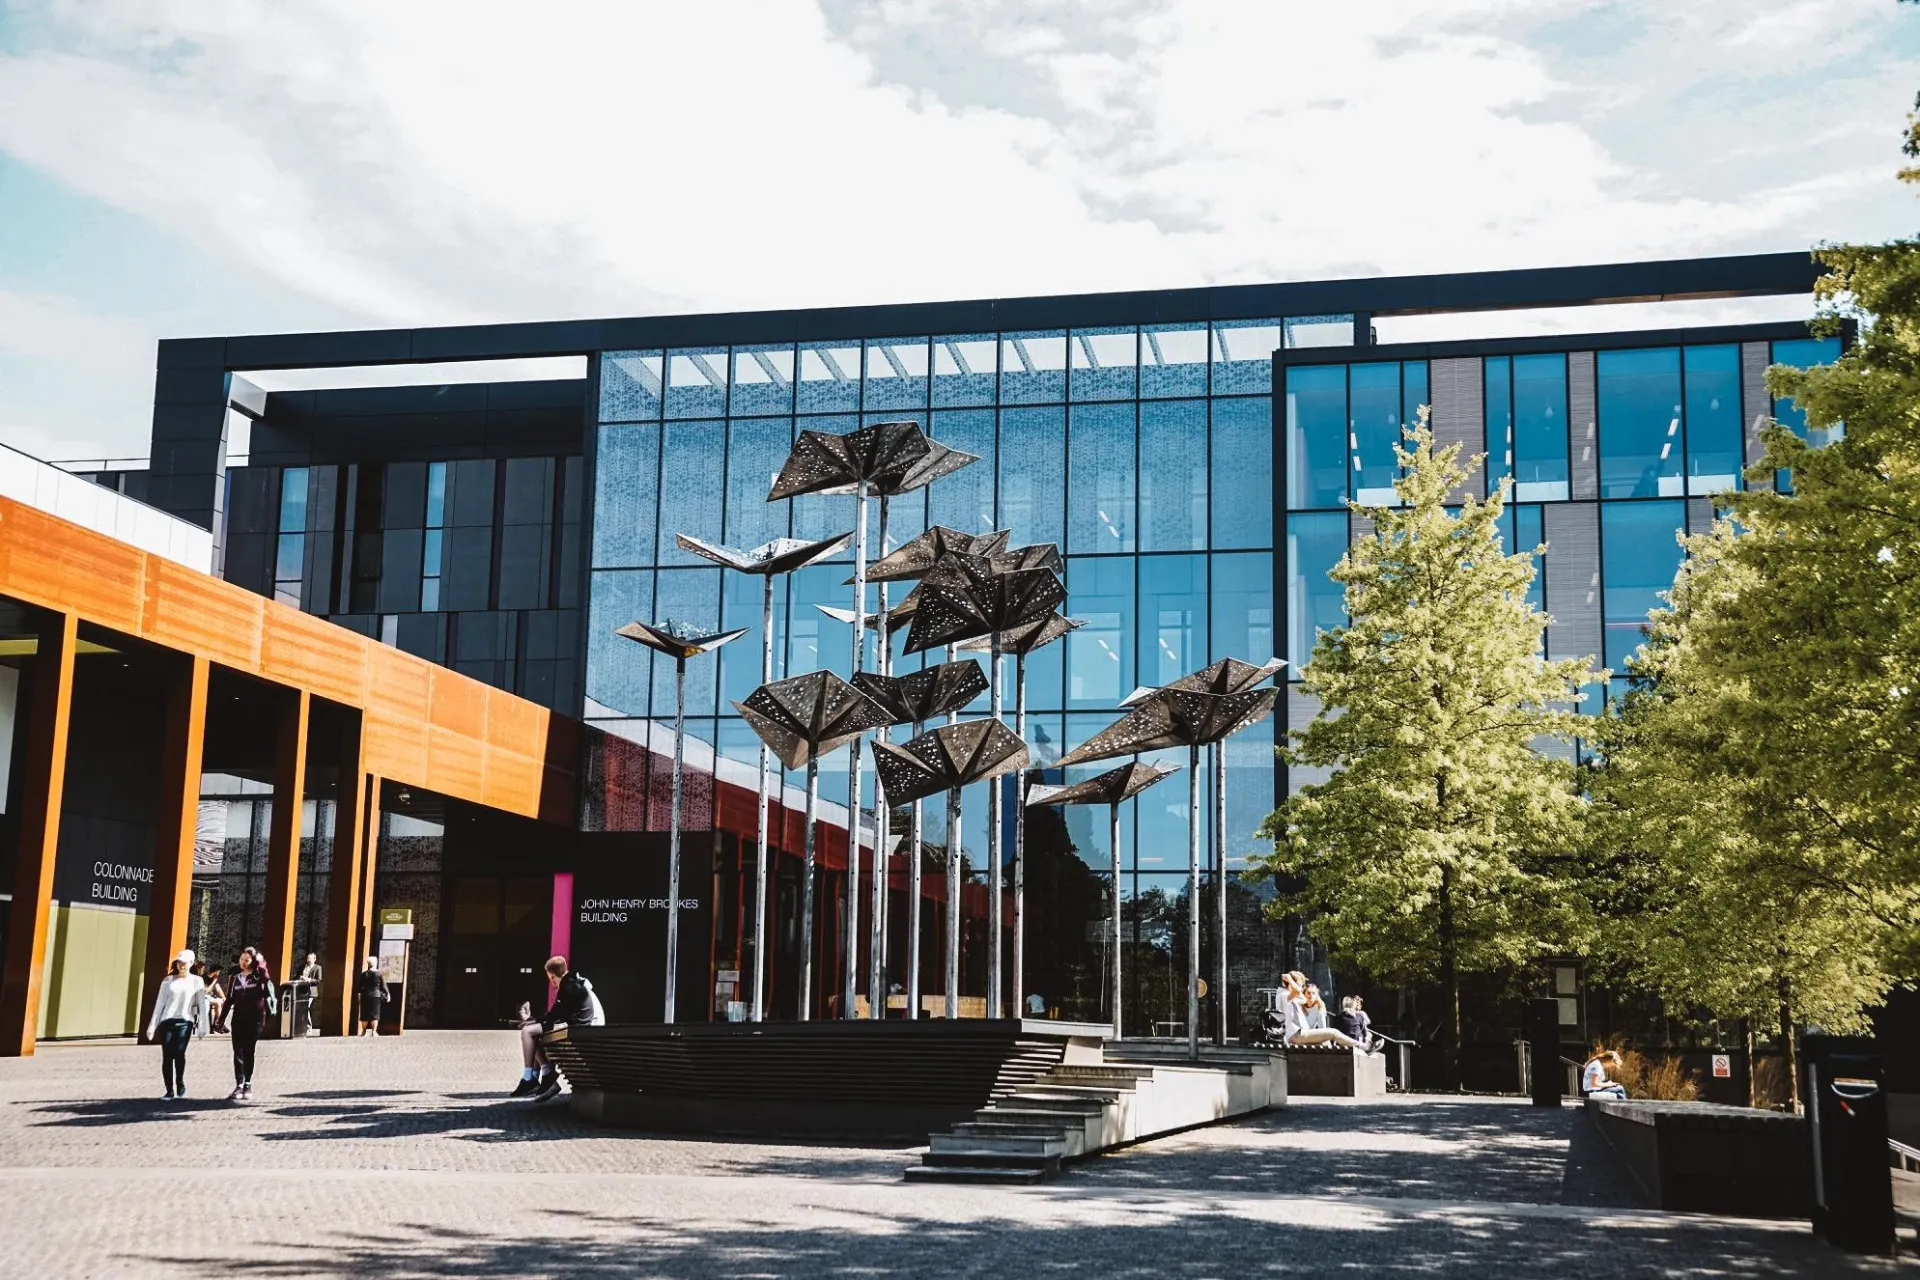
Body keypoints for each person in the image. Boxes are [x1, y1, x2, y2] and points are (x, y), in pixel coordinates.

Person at [515, 956, 603, 1102]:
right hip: (583, 1030)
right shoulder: (574, 982)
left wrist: (534, 1022)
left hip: (580, 1032)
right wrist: (536, 1021)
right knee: (534, 1033)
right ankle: (543, 1077)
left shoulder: (568, 987)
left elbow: (556, 1015)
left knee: (527, 1032)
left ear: (552, 975)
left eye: (551, 979)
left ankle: (530, 1077)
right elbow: (558, 1014)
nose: (552, 983)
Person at [147, 949, 211, 1099]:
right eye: (179, 962)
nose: (181, 965)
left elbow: (202, 1004)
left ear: (191, 963)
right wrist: (152, 1025)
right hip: (166, 1021)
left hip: (185, 1021)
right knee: (167, 1056)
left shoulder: (197, 981)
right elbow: (160, 1003)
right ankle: (169, 1090)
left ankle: (180, 1082)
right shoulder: (168, 981)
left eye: (184, 963)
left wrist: (203, 1026)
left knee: (179, 1052)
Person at [224, 947, 275, 1101]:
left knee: (248, 1050)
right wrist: (220, 1020)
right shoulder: (235, 976)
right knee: (237, 1051)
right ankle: (239, 1084)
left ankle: (248, 1084)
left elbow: (267, 986)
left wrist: (260, 964)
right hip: (238, 1018)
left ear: (253, 961)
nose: (243, 962)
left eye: (247, 960)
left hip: (256, 1018)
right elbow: (229, 999)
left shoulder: (259, 975)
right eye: (241, 959)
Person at [1279, 971, 1363, 1049]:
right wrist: (1289, 979)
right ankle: (1361, 1046)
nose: (1300, 988)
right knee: (1333, 1032)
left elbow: (1303, 999)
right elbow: (1297, 991)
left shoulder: (1294, 998)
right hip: (1296, 1035)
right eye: (1299, 985)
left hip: (1299, 1034)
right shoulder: (1285, 995)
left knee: (1324, 1044)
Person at [354, 956, 389, 1036]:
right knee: (375, 1014)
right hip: (376, 995)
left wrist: (359, 995)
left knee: (364, 1015)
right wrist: (388, 994)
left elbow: (360, 986)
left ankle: (363, 1032)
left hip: (365, 995)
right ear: (375, 964)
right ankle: (374, 1031)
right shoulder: (379, 974)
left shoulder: (364, 974)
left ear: (368, 964)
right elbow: (383, 986)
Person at [293, 953, 323, 1037]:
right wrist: (298, 979)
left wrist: (308, 979)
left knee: (305, 1008)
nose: (309, 960)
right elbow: (296, 976)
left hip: (310, 991)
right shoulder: (302, 966)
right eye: (308, 958)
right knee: (300, 1009)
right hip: (300, 990)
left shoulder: (318, 968)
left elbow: (319, 981)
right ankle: (300, 1027)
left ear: (314, 959)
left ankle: (309, 1027)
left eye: (310, 959)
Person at [204, 964, 228, 1034]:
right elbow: (206, 991)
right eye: (219, 971)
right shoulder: (204, 977)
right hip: (203, 997)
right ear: (216, 971)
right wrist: (214, 981)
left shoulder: (214, 978)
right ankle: (220, 1024)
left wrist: (225, 999)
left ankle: (217, 1024)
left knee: (223, 1002)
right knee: (217, 1003)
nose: (219, 973)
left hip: (210, 997)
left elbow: (218, 989)